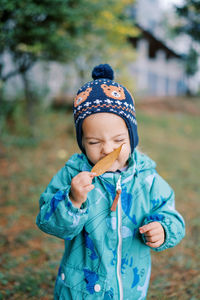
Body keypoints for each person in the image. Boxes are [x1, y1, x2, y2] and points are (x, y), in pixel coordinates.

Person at [36, 64, 185, 300]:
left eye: (118, 140)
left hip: (129, 288)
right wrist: (72, 200)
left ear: (131, 137)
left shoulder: (146, 179)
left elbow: (170, 214)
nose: (107, 150)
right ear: (82, 142)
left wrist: (164, 229)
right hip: (81, 289)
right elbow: (48, 222)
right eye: (95, 142)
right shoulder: (72, 175)